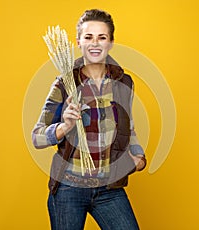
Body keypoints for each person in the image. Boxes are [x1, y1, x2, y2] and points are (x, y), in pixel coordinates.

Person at [32, 9, 147, 230]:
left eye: (102, 37)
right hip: (68, 188)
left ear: (111, 42)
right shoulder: (64, 84)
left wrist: (139, 159)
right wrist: (65, 126)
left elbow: (128, 129)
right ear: (78, 42)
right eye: (88, 37)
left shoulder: (124, 83)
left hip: (108, 188)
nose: (95, 43)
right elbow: (37, 137)